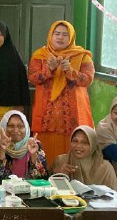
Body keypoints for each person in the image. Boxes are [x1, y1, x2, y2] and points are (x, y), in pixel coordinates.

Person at [28, 20, 94, 160]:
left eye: (65, 34)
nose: (60, 37)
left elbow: (88, 79)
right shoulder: (40, 55)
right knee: (45, 154)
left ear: (71, 38)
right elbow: (32, 78)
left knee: (72, 154)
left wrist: (70, 71)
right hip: (47, 117)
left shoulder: (82, 56)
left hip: (72, 116)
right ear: (51, 36)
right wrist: (48, 70)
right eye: (57, 33)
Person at [0, 110, 48, 184]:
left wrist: (33, 155)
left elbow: (43, 180)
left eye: (20, 126)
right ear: (3, 127)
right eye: (11, 126)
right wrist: (2, 150)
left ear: (26, 128)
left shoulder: (34, 145)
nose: (16, 130)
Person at [52, 126, 117, 192]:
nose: (78, 146)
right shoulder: (61, 161)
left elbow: (115, 196)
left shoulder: (105, 168)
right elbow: (48, 189)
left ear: (93, 145)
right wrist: (58, 176)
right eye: (75, 141)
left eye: (84, 142)